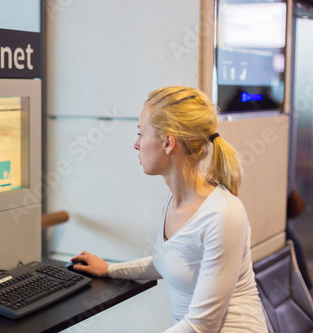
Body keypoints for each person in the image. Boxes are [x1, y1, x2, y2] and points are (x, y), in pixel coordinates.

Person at [71, 86, 268, 332]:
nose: (136, 144)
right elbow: (170, 261)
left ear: (167, 142)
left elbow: (201, 326)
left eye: (141, 134)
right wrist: (109, 269)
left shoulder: (224, 215)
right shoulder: (174, 200)